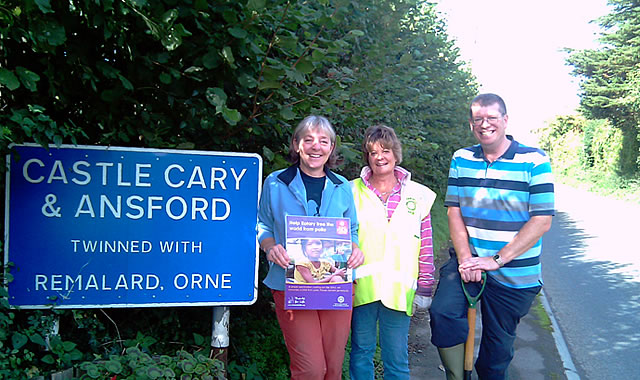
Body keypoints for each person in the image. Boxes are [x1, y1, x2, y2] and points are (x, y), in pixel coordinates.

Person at [429, 93, 555, 380]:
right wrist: (466, 260)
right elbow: (454, 211)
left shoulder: (534, 160)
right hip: (469, 262)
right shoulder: (462, 158)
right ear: (471, 124)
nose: (484, 124)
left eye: (491, 118)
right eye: (478, 119)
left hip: (515, 272)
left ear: (505, 120)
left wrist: (496, 260)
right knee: (443, 314)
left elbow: (542, 220)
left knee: (495, 358)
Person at [257, 115, 364, 380]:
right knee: (310, 370)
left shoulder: (341, 186)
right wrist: (270, 248)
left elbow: (351, 229)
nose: (316, 147)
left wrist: (355, 249)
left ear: (331, 147)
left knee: (332, 368)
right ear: (296, 145)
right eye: (309, 140)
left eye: (323, 141)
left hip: (336, 284)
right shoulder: (275, 182)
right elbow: (262, 225)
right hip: (290, 283)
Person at [349, 125, 437, 380]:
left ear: (396, 154)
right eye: (373, 152)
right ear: (367, 157)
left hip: (399, 292)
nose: (379, 157)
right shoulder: (351, 191)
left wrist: (425, 286)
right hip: (360, 289)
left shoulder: (418, 195)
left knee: (396, 359)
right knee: (361, 354)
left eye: (385, 150)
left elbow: (426, 245)